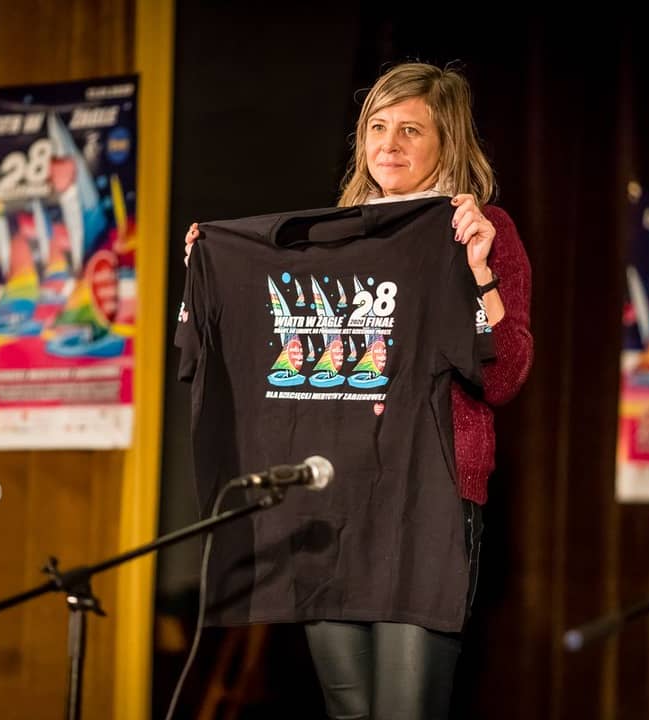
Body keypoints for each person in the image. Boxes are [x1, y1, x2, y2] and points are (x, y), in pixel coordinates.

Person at [181, 62, 533, 719]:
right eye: (377, 127)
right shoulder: (331, 241)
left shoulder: (479, 231)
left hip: (424, 503)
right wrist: (216, 269)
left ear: (448, 143)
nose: (388, 144)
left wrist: (479, 271)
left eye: (411, 130)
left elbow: (504, 376)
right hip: (334, 504)